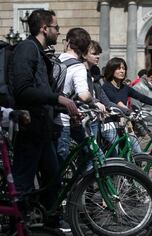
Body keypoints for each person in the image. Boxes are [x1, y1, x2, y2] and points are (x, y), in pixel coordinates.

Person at [10, 9, 78, 229]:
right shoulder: (26, 49)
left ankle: (50, 222)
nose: (59, 32)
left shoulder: (40, 53)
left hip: (43, 128)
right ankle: (16, 226)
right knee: (23, 182)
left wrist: (66, 108)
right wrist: (58, 98)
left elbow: (44, 93)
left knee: (52, 179)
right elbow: (23, 89)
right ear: (44, 28)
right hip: (29, 128)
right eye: (56, 27)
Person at [101, 58, 152, 154]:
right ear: (111, 70)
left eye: (123, 68)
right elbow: (118, 103)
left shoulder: (125, 88)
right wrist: (129, 112)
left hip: (124, 124)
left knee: (138, 152)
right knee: (115, 154)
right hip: (110, 125)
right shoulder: (106, 87)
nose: (122, 71)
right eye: (118, 68)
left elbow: (142, 97)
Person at [54, 27, 92, 166]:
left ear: (68, 42)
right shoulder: (78, 67)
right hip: (63, 121)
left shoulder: (55, 59)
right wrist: (92, 99)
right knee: (60, 167)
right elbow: (83, 95)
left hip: (49, 115)